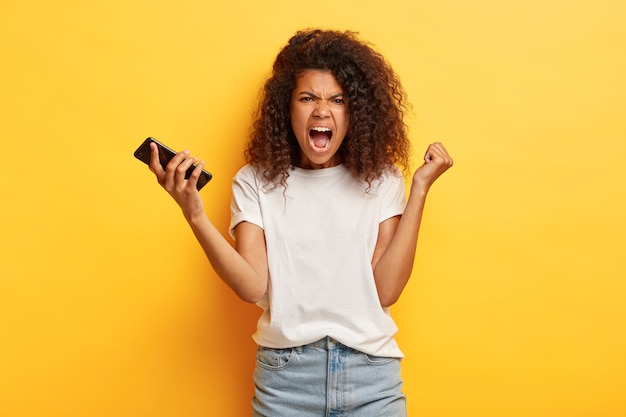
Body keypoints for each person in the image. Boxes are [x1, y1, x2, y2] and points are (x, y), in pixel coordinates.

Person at [148, 29, 453, 417]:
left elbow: (387, 290)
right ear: (286, 109)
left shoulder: (382, 180)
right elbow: (252, 284)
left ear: (354, 111)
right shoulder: (254, 182)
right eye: (307, 97)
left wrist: (420, 191)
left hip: (371, 379)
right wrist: (194, 213)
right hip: (286, 384)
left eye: (337, 100)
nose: (322, 111)